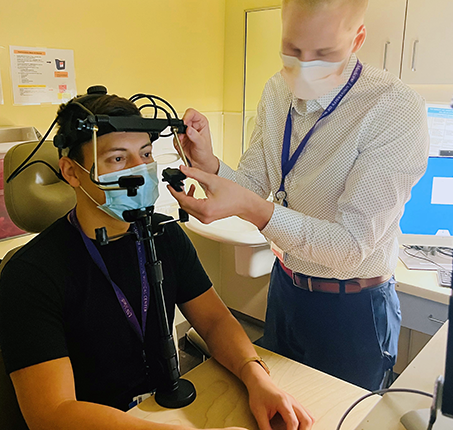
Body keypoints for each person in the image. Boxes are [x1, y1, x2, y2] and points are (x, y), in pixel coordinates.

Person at [0, 91, 315, 430]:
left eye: (145, 154)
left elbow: (214, 322)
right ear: (72, 172)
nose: (139, 169)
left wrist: (257, 378)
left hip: (163, 411)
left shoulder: (163, 235)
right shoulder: (32, 273)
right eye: (118, 159)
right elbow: (52, 414)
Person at [169, 0, 429, 391]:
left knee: (340, 417)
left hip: (353, 307)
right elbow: (255, 183)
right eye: (292, 50)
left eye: (323, 54)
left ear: (357, 39)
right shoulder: (278, 90)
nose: (304, 66)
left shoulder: (393, 108)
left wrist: (254, 209)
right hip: (286, 290)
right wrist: (209, 162)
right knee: (272, 404)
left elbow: (349, 245)